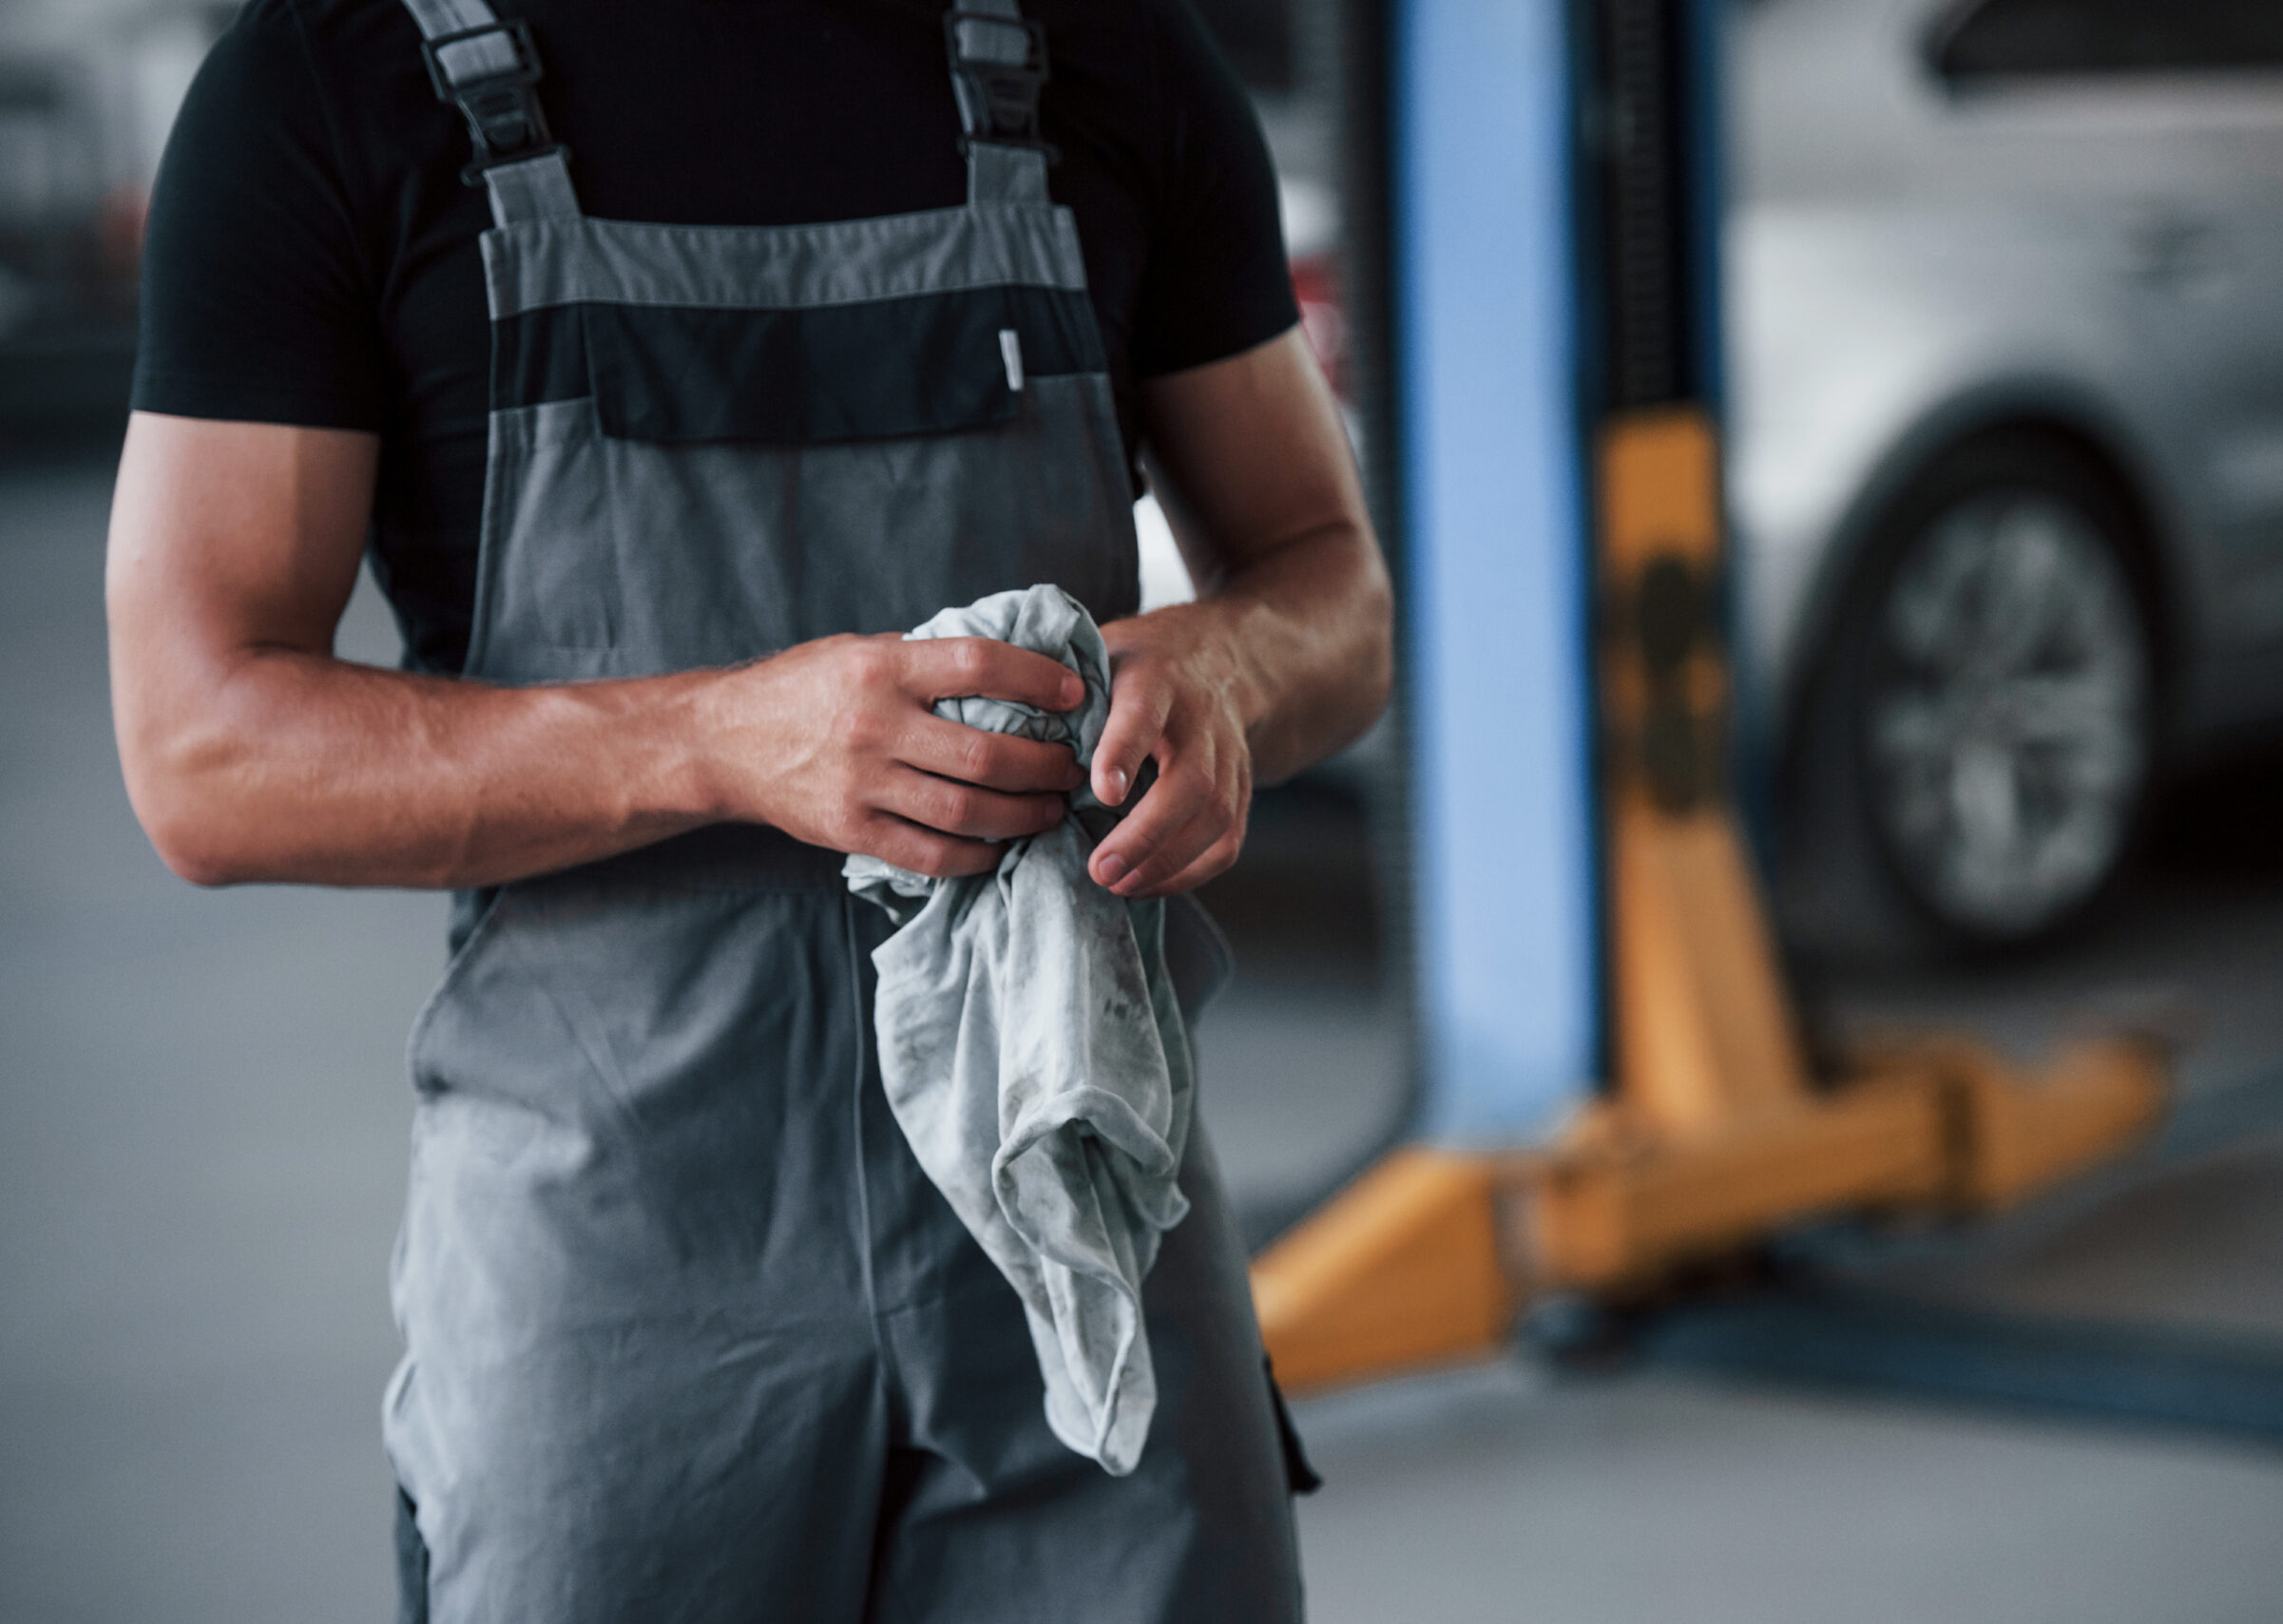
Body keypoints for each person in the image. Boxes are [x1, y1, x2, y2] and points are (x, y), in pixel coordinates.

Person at [104, 0, 1391, 1618]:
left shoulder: (1104, 60)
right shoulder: (335, 94)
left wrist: (1221, 668)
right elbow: (201, 749)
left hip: (1075, 1207)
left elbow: (1333, 598)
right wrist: (716, 740)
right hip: (626, 1269)